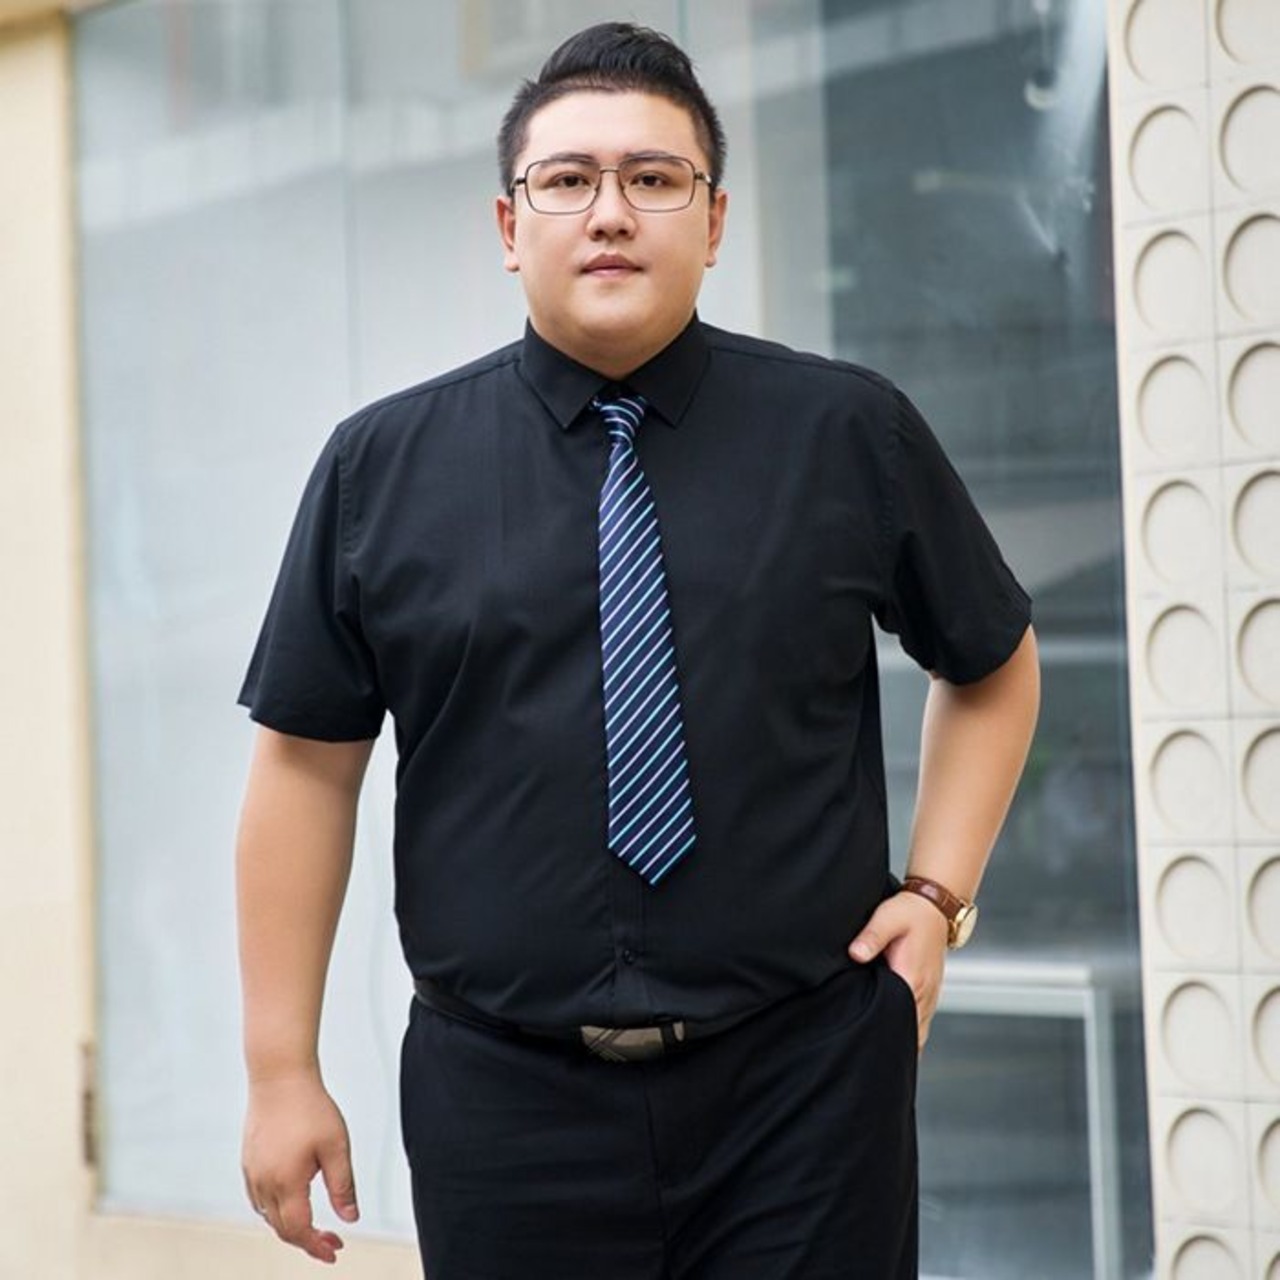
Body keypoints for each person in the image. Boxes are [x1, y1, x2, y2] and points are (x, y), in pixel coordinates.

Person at [236, 20, 1040, 1280]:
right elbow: (304, 766)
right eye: (567, 179)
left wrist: (935, 897)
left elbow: (990, 660)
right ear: (509, 226)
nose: (609, 211)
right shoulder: (379, 468)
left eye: (653, 178)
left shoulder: (845, 433)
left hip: (804, 1089)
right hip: (503, 1104)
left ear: (712, 221)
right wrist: (281, 1070)